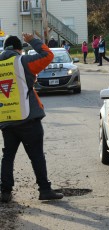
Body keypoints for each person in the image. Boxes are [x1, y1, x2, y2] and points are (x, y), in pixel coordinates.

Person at [0, 33, 64, 202]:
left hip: (6, 119)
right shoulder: (22, 61)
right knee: (36, 155)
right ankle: (44, 190)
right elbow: (48, 55)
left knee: (8, 156)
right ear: (19, 49)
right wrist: (32, 40)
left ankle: (5, 192)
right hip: (28, 118)